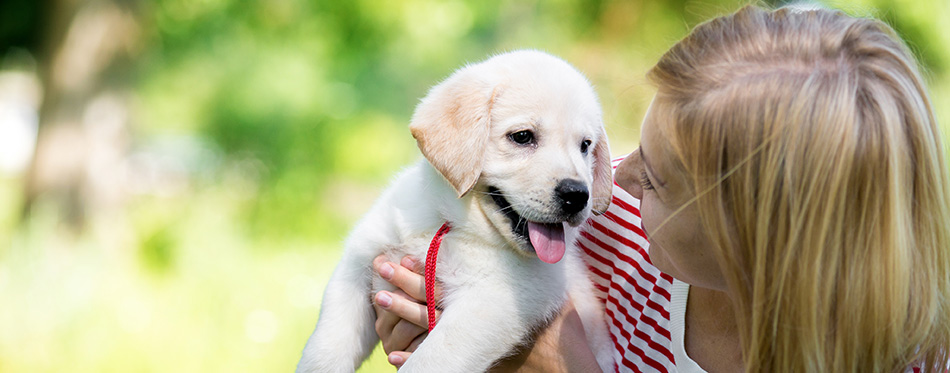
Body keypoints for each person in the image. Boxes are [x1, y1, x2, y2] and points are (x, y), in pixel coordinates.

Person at [371, 5, 950, 372]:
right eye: (630, 147)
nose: (616, 178)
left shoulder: (909, 356)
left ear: (751, 235)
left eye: (659, 179)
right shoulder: (603, 228)